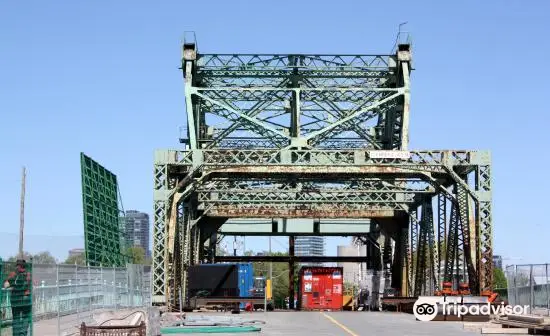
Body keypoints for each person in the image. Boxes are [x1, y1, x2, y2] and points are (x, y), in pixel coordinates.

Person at [3, 259, 32, 336]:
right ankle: (23, 334)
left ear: (17, 266)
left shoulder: (13, 274)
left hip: (15, 300)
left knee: (16, 318)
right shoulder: (29, 274)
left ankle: (16, 334)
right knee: (26, 317)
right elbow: (34, 285)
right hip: (26, 299)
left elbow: (6, 285)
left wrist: (9, 285)